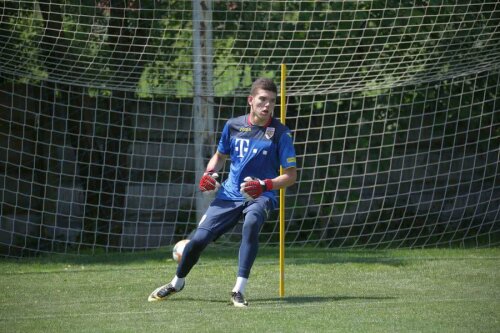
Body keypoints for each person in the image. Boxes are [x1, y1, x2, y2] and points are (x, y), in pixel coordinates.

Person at [148, 78, 297, 307]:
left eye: (272, 102)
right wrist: (209, 173)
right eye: (262, 100)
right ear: (251, 100)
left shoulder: (281, 133)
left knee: (252, 222)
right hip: (228, 195)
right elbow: (219, 157)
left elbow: (290, 175)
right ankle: (176, 283)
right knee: (198, 240)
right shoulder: (233, 126)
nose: (267, 106)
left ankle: (238, 290)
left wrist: (265, 185)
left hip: (261, 195)